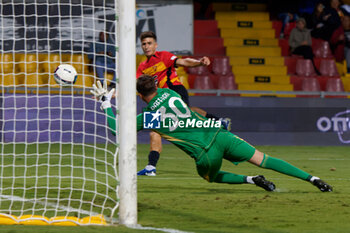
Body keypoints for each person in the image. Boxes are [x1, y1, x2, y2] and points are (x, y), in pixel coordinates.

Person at [91, 76, 333, 192]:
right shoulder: (172, 94)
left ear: (140, 96)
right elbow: (153, 93)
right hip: (220, 135)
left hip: (206, 154)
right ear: (156, 86)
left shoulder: (151, 117)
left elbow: (119, 132)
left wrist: (106, 104)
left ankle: (251, 180)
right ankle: (313, 180)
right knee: (265, 159)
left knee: (210, 178)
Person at [136, 31, 230, 176]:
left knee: (188, 115)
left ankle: (217, 124)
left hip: (174, 91)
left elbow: (184, 62)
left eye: (149, 43)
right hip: (157, 100)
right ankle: (150, 167)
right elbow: (136, 84)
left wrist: (199, 62)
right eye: (144, 44)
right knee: (154, 130)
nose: (146, 46)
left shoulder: (164, 56)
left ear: (155, 45)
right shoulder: (142, 67)